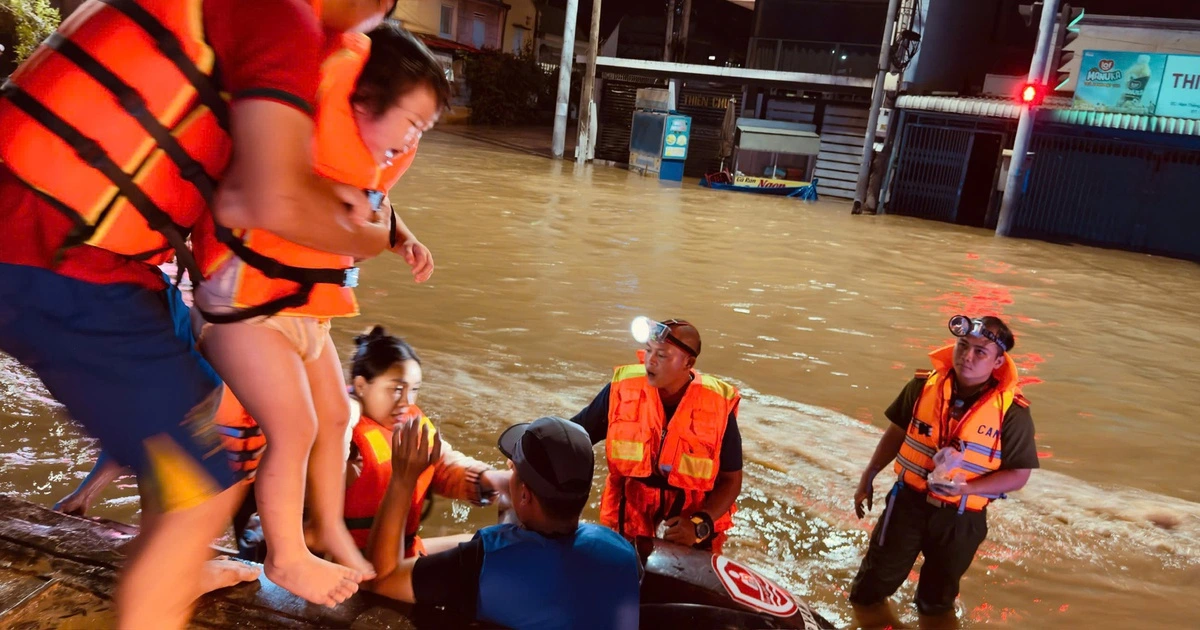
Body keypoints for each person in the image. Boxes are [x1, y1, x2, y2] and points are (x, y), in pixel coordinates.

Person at [0, 0, 405, 624]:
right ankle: (168, 587)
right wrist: (379, 235)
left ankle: (180, 566)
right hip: (57, 254)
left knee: (211, 416)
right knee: (202, 487)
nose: (367, 32)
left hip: (94, 254)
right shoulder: (284, 17)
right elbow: (270, 199)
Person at [187, 20, 447, 607]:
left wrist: (403, 237)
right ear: (363, 100)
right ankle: (286, 553)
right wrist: (354, 215)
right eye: (408, 123)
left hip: (302, 311)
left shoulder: (365, 155)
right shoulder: (308, 121)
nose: (412, 142)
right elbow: (288, 182)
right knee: (297, 427)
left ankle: (327, 528)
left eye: (423, 131)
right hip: (245, 300)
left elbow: (373, 194)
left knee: (336, 417)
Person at [849, 315, 1040, 629]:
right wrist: (867, 477)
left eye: (981, 352)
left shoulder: (1013, 412)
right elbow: (896, 433)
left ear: (997, 362)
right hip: (906, 504)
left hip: (960, 519)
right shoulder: (923, 386)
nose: (967, 356)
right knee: (869, 590)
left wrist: (966, 490)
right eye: (963, 345)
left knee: (936, 605)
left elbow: (1019, 475)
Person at [366, 416, 642, 630]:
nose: (508, 471)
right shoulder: (620, 550)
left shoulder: (483, 563)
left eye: (512, 470)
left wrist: (403, 478)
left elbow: (384, 578)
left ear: (524, 494)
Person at [569, 316, 743, 554]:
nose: (650, 361)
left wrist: (700, 525)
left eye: (662, 355)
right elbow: (574, 435)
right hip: (630, 511)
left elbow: (731, 480)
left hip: (689, 518)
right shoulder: (622, 390)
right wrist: (529, 450)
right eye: (649, 351)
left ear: (688, 362)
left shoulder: (717, 406)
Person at [343, 326, 510, 556]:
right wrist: (346, 408)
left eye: (414, 390)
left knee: (499, 541)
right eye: (396, 389)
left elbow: (442, 464)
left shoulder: (409, 419)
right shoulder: (343, 431)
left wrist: (492, 479)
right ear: (361, 386)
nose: (406, 401)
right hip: (356, 562)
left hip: (406, 549)